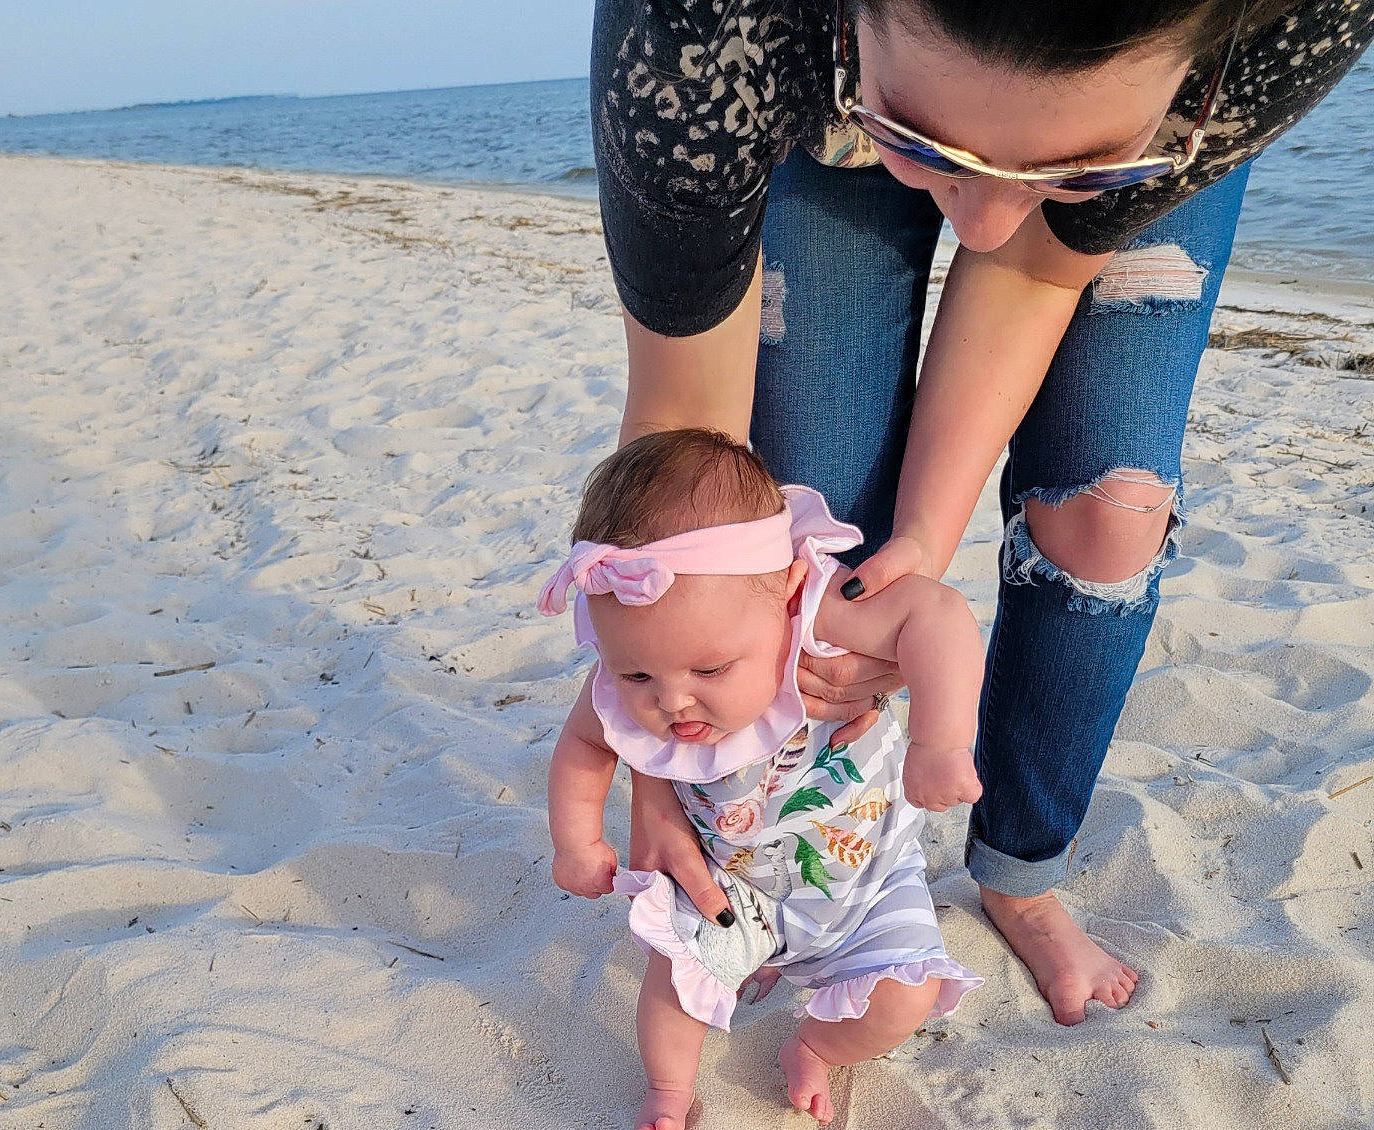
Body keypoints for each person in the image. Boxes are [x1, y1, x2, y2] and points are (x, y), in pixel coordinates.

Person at [589, 0, 1374, 1023]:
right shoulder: (696, 40)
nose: (985, 220)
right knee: (810, 538)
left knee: (1109, 513)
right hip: (814, 107)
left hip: (1140, 111)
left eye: (1077, 166)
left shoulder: (1296, 19)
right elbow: (685, 429)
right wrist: (660, 762)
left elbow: (1028, 265)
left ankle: (1020, 869)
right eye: (927, 142)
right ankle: (786, 866)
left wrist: (928, 536)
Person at [541, 429, 983, 1130]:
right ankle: (669, 1093)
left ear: (783, 588)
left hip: (864, 878)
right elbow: (586, 744)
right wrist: (576, 841)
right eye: (640, 676)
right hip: (728, 881)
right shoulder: (629, 680)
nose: (672, 704)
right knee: (677, 976)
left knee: (905, 999)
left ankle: (814, 1047)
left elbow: (936, 614)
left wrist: (940, 741)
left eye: (711, 669)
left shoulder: (816, 620)